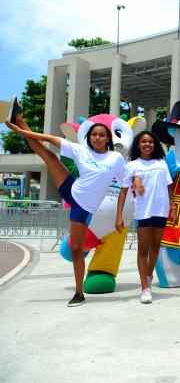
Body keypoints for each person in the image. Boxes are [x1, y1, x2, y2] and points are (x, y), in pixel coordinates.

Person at [6, 116, 126, 306]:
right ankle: (20, 119)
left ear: (108, 139)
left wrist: (119, 215)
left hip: (82, 207)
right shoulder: (81, 150)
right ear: (89, 138)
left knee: (77, 249)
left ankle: (79, 293)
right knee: (48, 155)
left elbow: (124, 186)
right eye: (94, 134)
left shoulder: (116, 159)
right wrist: (22, 131)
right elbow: (49, 139)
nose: (97, 138)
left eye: (102, 135)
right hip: (71, 188)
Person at [115, 131, 173, 304]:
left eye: (150, 142)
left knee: (155, 248)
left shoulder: (162, 164)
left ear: (154, 145)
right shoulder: (132, 165)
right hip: (143, 212)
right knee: (143, 249)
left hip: (161, 211)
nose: (147, 144)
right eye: (143, 142)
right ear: (138, 145)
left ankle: (148, 275)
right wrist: (119, 216)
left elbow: (169, 187)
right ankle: (145, 288)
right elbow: (123, 191)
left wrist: (174, 207)